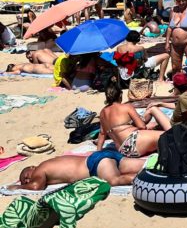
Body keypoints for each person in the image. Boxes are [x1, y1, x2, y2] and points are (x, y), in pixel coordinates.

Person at [97, 79, 170, 157]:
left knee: (154, 125)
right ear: (120, 95)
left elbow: (102, 134)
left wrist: (98, 152)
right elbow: (142, 126)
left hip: (123, 150)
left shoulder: (102, 112)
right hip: (133, 142)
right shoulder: (126, 107)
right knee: (170, 136)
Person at [14, 150, 146, 190]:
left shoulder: (40, 169)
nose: (27, 180)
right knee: (148, 164)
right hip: (102, 157)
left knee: (114, 181)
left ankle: (147, 181)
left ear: (32, 167)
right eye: (24, 181)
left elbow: (36, 186)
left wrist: (16, 187)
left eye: (26, 175)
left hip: (94, 164)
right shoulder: (50, 162)